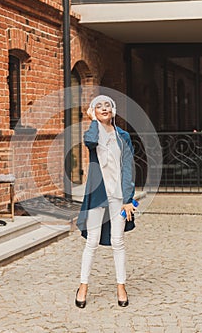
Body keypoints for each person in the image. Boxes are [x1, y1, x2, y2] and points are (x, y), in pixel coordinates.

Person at [75, 95, 136, 309]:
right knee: (92, 241)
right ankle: (83, 285)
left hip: (118, 197)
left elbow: (128, 167)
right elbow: (90, 141)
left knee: (118, 242)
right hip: (97, 196)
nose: (104, 108)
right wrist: (93, 120)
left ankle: (121, 286)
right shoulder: (92, 133)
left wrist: (128, 199)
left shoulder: (123, 136)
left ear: (114, 110)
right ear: (93, 111)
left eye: (107, 105)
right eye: (98, 106)